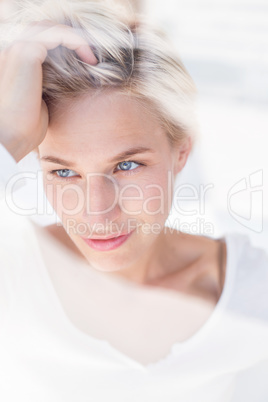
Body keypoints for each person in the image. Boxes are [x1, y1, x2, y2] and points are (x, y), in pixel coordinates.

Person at [0, 1, 267, 401]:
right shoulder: (13, 270)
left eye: (126, 165)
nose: (96, 211)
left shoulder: (251, 292)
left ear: (181, 151)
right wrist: (8, 134)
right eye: (63, 171)